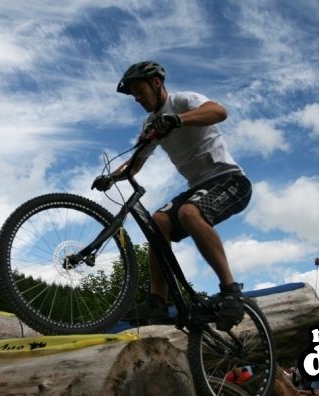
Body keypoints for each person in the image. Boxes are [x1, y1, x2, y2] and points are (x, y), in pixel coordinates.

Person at [92, 61, 252, 331]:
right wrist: (112, 177)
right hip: (197, 188)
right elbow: (136, 163)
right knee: (158, 222)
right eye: (133, 95)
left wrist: (178, 120)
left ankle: (231, 290)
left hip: (231, 180)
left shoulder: (184, 101)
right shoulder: (151, 124)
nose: (137, 98)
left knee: (189, 212)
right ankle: (157, 301)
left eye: (140, 91)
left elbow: (219, 111)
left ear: (156, 84)